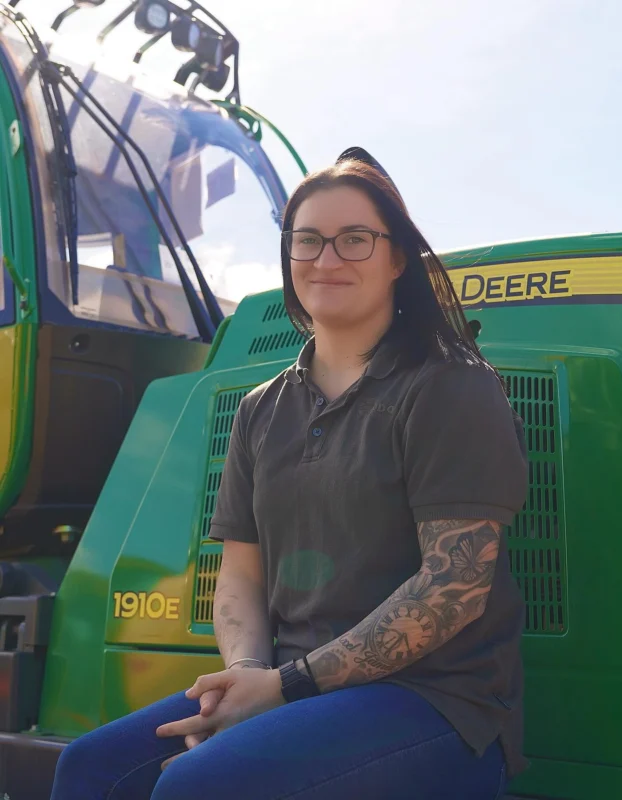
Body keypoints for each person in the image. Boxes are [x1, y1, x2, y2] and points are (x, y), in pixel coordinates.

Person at [50, 149, 528, 800]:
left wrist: (283, 687)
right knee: (89, 769)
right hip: (289, 686)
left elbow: (456, 586)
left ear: (396, 261)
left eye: (354, 240)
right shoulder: (259, 410)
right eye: (308, 241)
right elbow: (241, 575)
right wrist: (246, 676)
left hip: (434, 702)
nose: (327, 260)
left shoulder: (451, 387)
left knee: (198, 787)